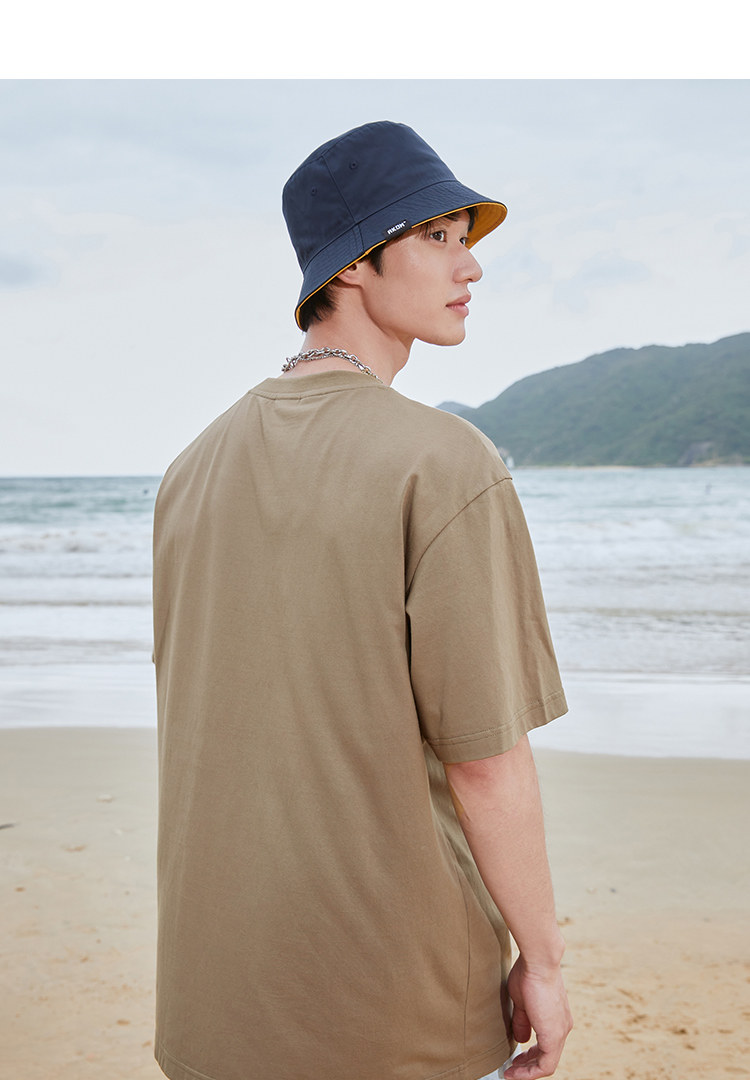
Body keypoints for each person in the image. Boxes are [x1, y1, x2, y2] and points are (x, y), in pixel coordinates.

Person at [152, 120, 572, 1080]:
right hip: (394, 1010)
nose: (470, 265)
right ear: (351, 266)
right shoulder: (443, 459)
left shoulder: (189, 470)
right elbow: (486, 762)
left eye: (466, 239)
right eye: (437, 237)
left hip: (212, 1006)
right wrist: (543, 962)